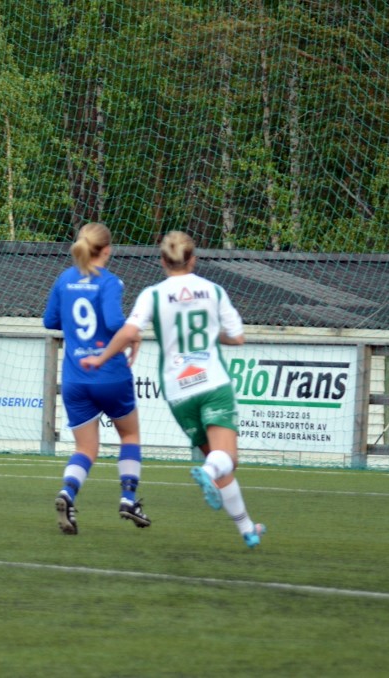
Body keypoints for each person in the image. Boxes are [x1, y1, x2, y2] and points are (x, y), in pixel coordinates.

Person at [81, 230, 266, 548]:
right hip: (212, 382)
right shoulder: (213, 291)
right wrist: (212, 335)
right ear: (193, 259)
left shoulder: (152, 294)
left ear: (162, 261)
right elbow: (237, 337)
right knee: (227, 459)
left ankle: (248, 529)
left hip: (178, 390)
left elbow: (128, 331)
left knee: (218, 460)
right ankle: (208, 473)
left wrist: (101, 358)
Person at [43, 222, 150, 535]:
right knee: (129, 435)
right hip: (109, 373)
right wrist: (134, 335)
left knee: (86, 448)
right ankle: (128, 499)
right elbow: (116, 322)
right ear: (107, 250)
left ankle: (68, 493)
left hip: (76, 377)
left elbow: (50, 320)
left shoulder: (64, 279)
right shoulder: (109, 281)